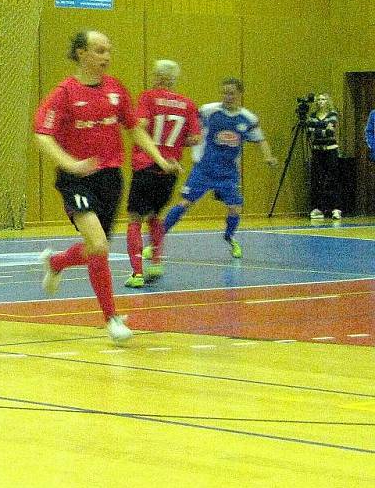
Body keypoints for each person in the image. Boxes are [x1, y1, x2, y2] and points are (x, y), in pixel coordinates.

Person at [34, 30, 179, 343]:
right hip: (76, 179)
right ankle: (112, 318)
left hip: (110, 179)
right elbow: (42, 135)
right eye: (99, 51)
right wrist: (70, 163)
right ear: (82, 53)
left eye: (108, 51)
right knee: (98, 245)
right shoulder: (64, 92)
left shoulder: (116, 89)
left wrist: (160, 158)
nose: (106, 57)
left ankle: (57, 262)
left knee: (95, 250)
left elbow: (135, 129)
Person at [158, 78, 277, 259]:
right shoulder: (209, 111)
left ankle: (230, 238)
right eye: (225, 92)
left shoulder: (248, 118)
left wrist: (268, 156)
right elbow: (189, 123)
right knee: (184, 203)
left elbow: (260, 139)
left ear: (239, 94)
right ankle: (157, 239)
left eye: (231, 93)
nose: (227, 96)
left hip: (228, 173)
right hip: (204, 169)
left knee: (235, 207)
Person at [124, 60, 201, 288]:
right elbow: (195, 138)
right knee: (155, 216)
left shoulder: (148, 97)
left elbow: (141, 125)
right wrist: (175, 145)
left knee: (135, 218)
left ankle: (137, 273)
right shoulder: (187, 104)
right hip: (170, 168)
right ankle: (156, 261)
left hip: (145, 165)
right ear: (174, 80)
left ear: (158, 76)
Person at [306, 94, 342, 220]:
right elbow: (309, 131)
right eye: (319, 99)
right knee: (317, 179)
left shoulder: (333, 114)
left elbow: (330, 131)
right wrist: (322, 129)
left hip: (331, 150)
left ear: (327, 101)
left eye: (323, 99)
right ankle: (318, 208)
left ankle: (336, 208)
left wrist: (318, 129)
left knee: (333, 179)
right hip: (317, 150)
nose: (321, 102)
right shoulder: (312, 115)